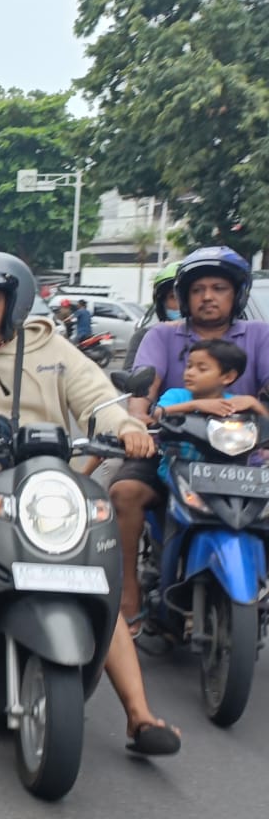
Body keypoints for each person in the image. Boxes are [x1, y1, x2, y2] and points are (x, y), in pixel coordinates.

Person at [0, 251, 180, 756]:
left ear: (17, 304)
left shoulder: (55, 349)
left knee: (93, 571)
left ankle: (140, 715)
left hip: (52, 480)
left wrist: (126, 429)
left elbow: (98, 401)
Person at [112, 246, 269, 632]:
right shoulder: (161, 336)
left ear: (237, 295)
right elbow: (142, 395)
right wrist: (139, 425)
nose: (208, 296)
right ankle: (128, 594)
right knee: (124, 492)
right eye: (198, 289)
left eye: (219, 288)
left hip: (243, 456)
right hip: (171, 448)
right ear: (184, 297)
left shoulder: (260, 335)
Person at [151, 340, 268, 487]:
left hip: (230, 479)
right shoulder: (177, 396)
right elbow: (155, 415)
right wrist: (195, 405)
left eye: (202, 369)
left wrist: (254, 403)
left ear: (228, 377)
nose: (190, 373)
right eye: (189, 366)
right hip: (178, 475)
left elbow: (265, 425)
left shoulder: (235, 404)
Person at [121, 262, 180, 371]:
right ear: (162, 303)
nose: (182, 304)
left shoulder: (213, 337)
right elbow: (130, 378)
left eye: (187, 296)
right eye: (174, 297)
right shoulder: (145, 336)